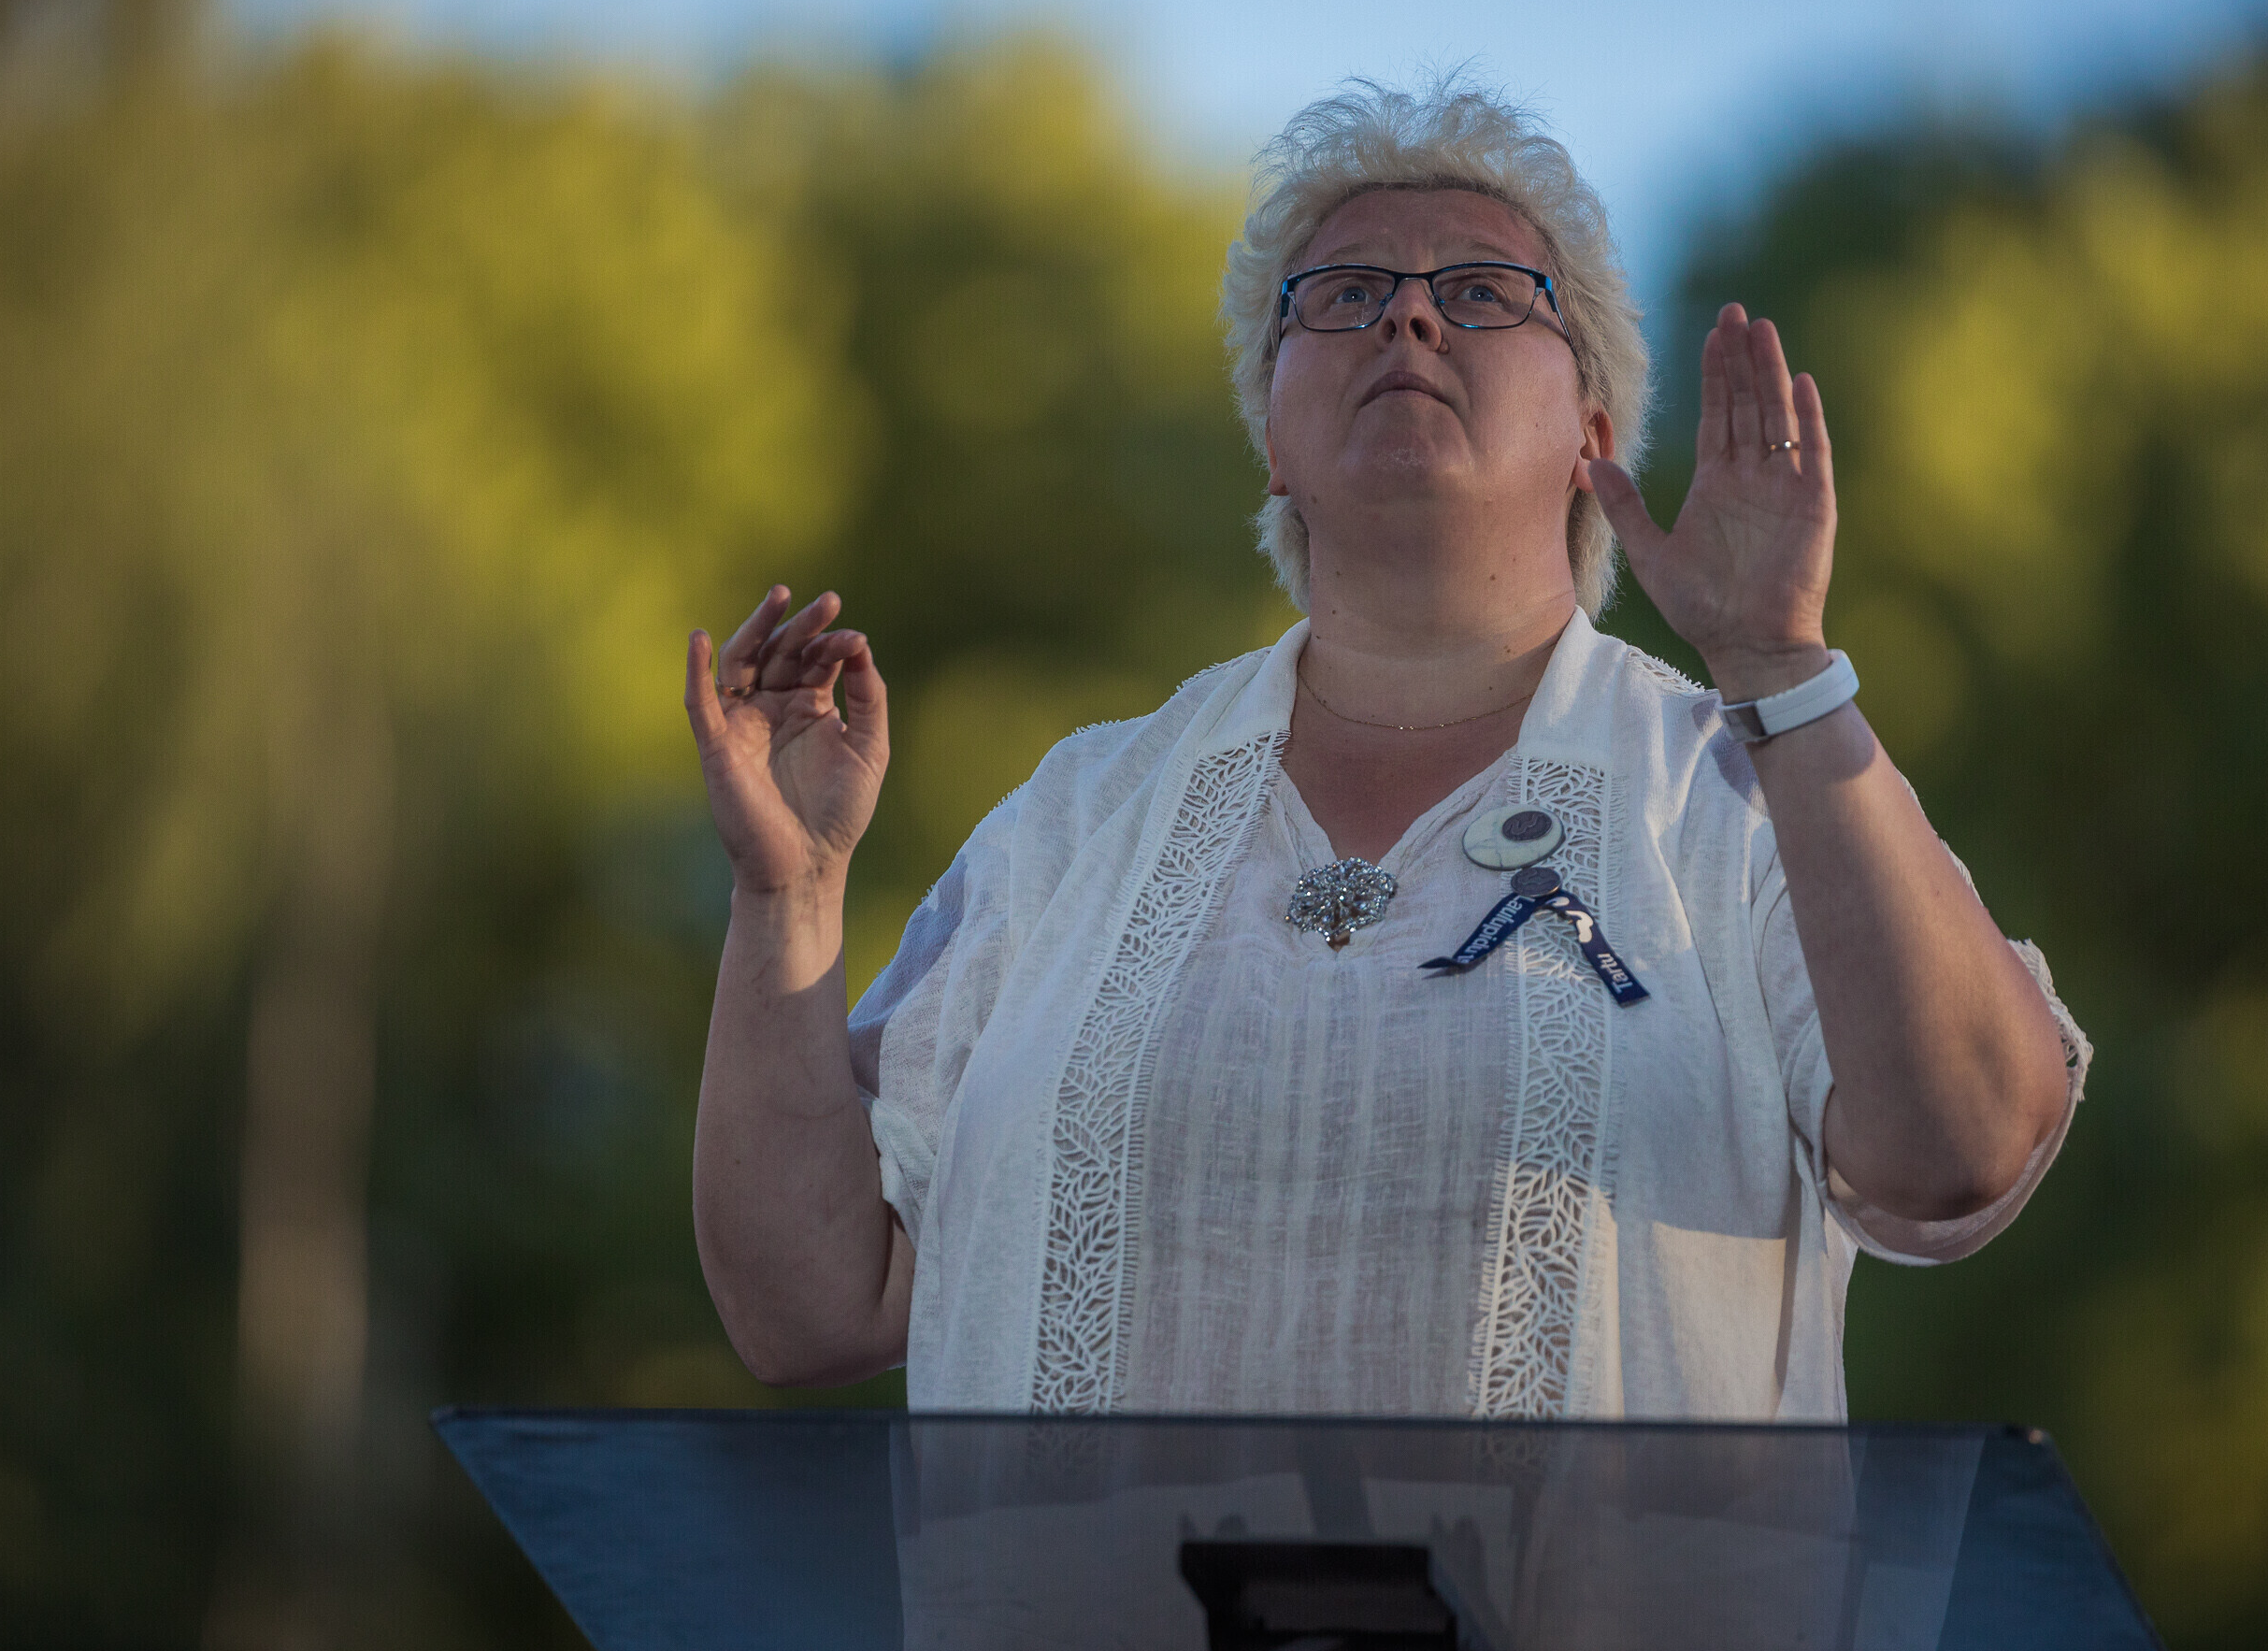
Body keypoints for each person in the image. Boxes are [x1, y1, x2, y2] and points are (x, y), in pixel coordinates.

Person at [682, 80, 2088, 1420]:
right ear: (1274, 442)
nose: (1408, 317)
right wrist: (787, 896)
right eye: (1345, 294)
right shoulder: (1082, 814)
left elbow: (1961, 1155)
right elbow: (810, 1308)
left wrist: (1782, 674)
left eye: (1482, 291)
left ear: (1594, 436)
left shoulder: (1739, 792)